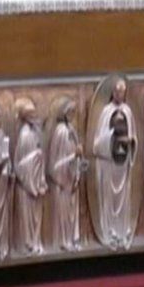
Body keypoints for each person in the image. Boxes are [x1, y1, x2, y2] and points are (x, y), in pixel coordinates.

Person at [92, 79, 138, 250]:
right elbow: (97, 144)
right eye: (118, 91)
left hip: (123, 163)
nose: (120, 95)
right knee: (109, 200)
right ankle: (110, 231)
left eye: (123, 92)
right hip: (109, 164)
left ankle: (122, 231)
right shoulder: (106, 112)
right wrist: (113, 136)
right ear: (113, 92)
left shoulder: (127, 111)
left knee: (123, 199)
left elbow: (133, 137)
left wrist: (130, 141)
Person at [49, 97, 85, 251]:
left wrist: (78, 170)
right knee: (64, 215)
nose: (72, 114)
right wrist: (74, 156)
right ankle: (65, 241)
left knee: (73, 213)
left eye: (74, 112)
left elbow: (76, 154)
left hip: (72, 179)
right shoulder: (60, 132)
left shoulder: (71, 129)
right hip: (62, 181)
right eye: (70, 111)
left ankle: (73, 239)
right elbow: (54, 164)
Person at [14, 98, 47, 256]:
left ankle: (35, 242)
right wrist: (36, 155)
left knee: (36, 218)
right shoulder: (25, 135)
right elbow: (20, 165)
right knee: (27, 220)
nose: (35, 115)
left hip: (36, 181)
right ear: (26, 116)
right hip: (27, 186)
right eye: (32, 113)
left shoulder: (35, 132)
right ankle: (28, 245)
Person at [0, 102, 11, 260]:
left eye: (0, 116)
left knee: (2, 218)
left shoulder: (1, 134)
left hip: (2, 183)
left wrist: (8, 165)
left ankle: (2, 248)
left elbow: (5, 156)